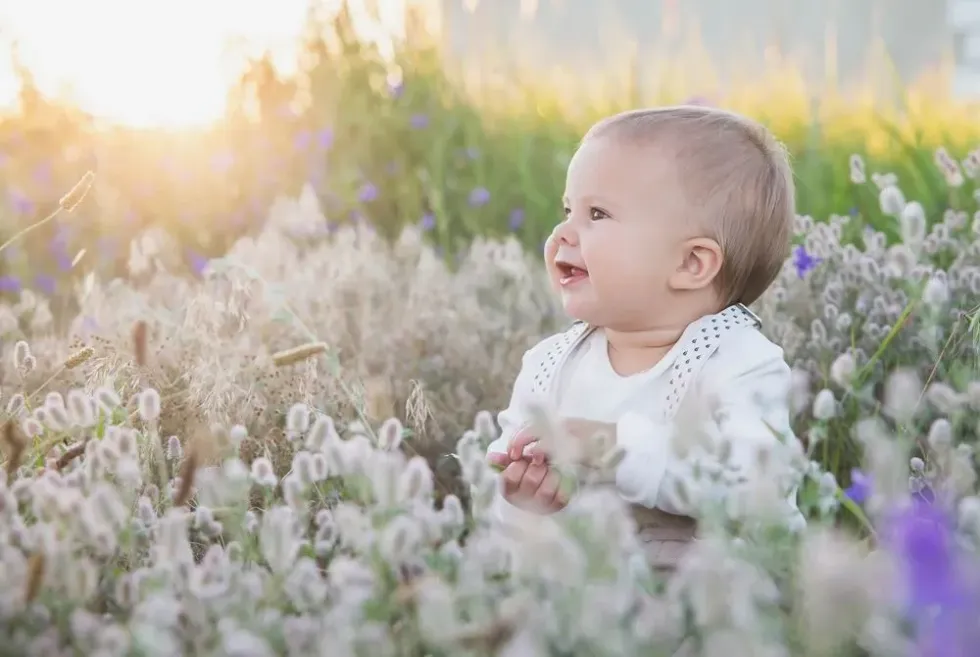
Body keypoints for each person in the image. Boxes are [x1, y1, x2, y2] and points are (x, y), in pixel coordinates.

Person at [485, 105, 806, 571]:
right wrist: (520, 499)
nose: (562, 234)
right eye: (567, 210)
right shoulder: (549, 365)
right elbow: (502, 526)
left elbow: (760, 493)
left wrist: (613, 446)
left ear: (691, 264)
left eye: (597, 213)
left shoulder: (739, 363)